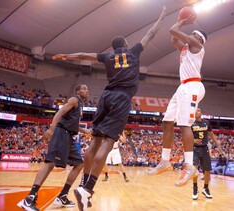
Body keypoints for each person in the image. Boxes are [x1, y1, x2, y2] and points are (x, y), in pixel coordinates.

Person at [53, 6, 166, 211]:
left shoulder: (107, 56)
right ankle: (87, 189)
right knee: (108, 141)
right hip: (121, 98)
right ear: (125, 44)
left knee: (95, 141)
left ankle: (84, 186)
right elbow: (150, 34)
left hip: (105, 97)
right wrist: (162, 16)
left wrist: (66, 56)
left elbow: (84, 55)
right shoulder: (133, 51)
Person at [147, 14, 207, 187]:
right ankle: (165, 162)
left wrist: (182, 21)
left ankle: (189, 166)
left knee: (184, 124)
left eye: (194, 34)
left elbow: (173, 30)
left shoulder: (197, 46)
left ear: (199, 39)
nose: (191, 36)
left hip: (193, 86)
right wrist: (181, 20)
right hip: (183, 87)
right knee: (167, 122)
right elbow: (174, 38)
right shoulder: (186, 49)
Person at [17, 84, 89, 211]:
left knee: (79, 164)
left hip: (69, 137)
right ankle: (29, 199)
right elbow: (60, 112)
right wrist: (51, 128)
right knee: (49, 163)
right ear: (78, 91)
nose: (86, 91)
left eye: (87, 89)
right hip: (61, 133)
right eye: (83, 88)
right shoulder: (74, 100)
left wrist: (87, 132)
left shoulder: (81, 106)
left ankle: (63, 196)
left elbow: (74, 125)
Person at [191, 108, 224, 200]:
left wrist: (219, 147)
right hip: (194, 148)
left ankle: (206, 188)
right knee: (195, 169)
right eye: (196, 110)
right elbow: (186, 136)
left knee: (207, 170)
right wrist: (193, 140)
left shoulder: (206, 123)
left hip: (205, 148)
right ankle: (195, 188)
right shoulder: (191, 123)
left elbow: (212, 134)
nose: (198, 111)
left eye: (199, 110)